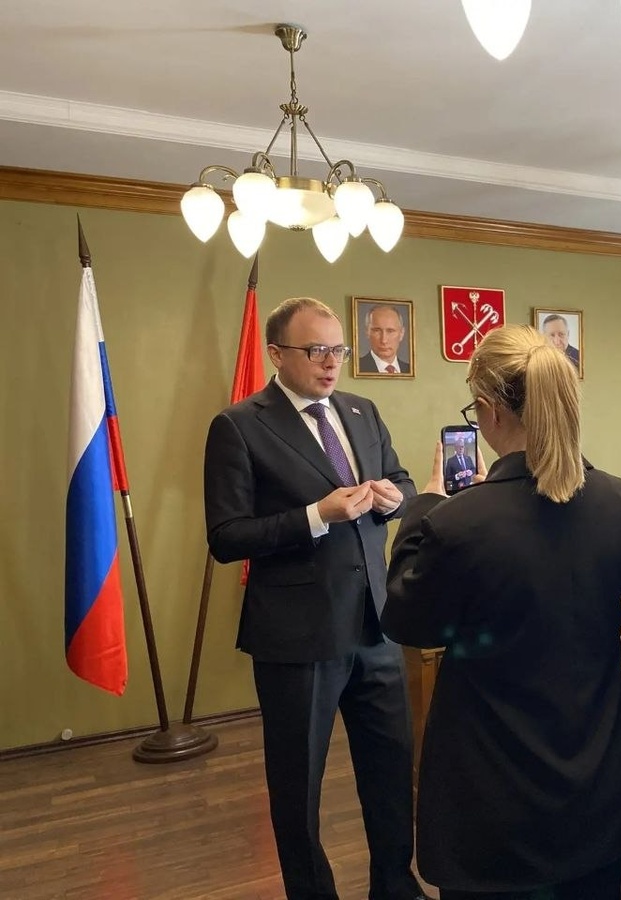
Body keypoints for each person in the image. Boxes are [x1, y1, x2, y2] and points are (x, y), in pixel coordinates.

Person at [381, 324, 621, 900]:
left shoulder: (456, 522)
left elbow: (405, 621)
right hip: (594, 787)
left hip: (493, 800)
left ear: (489, 410)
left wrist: (425, 505)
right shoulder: (620, 501)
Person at [204, 297, 426, 900]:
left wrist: (395, 500)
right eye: (316, 350)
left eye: (338, 350)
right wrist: (315, 516)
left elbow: (403, 482)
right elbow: (226, 537)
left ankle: (394, 885)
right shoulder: (239, 425)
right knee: (298, 785)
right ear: (277, 354)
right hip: (297, 637)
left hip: (376, 625)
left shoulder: (361, 409)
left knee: (390, 770)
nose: (331, 363)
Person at [359, 304, 410, 374]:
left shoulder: (410, 370)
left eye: (390, 331)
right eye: (377, 331)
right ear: (367, 332)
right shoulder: (357, 367)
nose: (384, 340)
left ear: (401, 333)